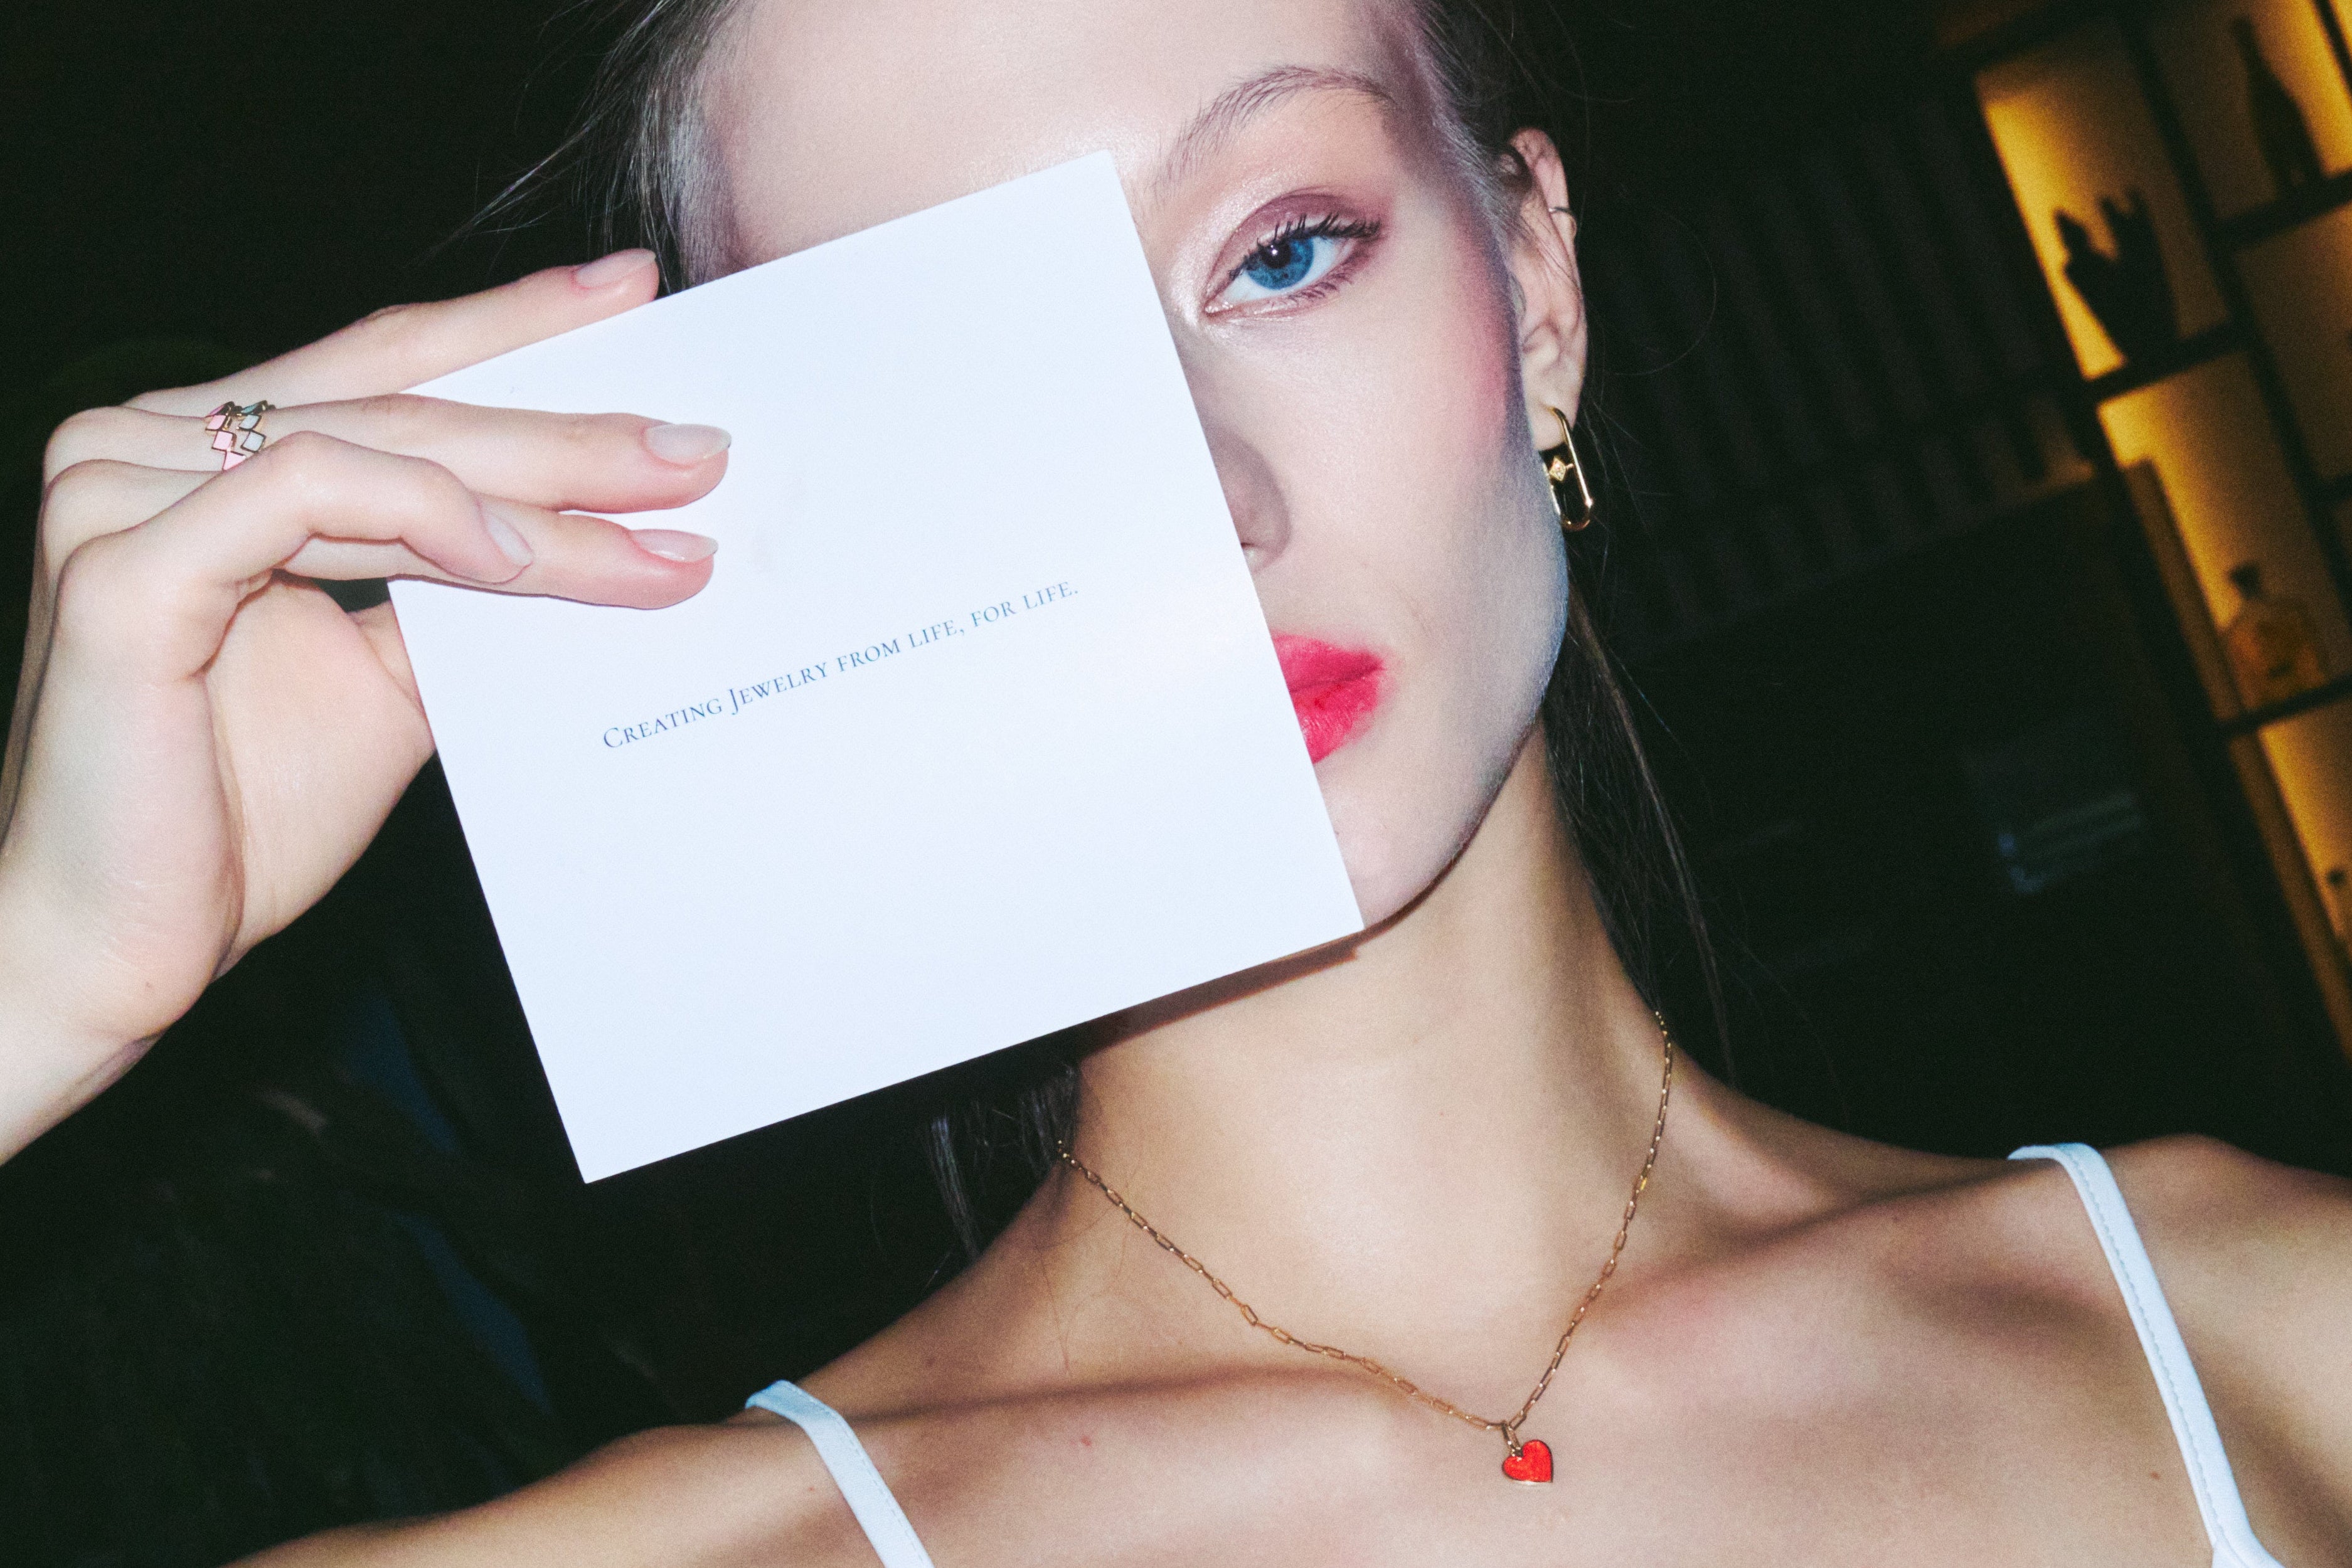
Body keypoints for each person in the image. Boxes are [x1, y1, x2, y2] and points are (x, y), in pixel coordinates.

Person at [7, 0, 2350, 1560]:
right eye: (972, 375)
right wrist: (41, 980)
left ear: (1535, 286)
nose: (1197, 494)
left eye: (1286, 251)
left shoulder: (2278, 1341)